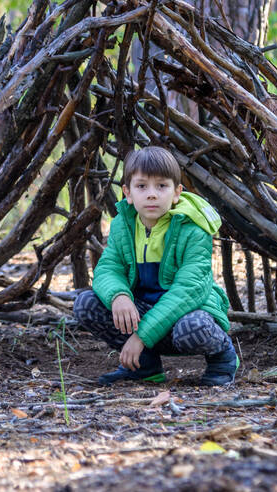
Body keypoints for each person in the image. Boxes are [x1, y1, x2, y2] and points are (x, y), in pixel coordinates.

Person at [74, 146, 237, 386]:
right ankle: (145, 367)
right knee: (86, 304)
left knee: (194, 327)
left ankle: (223, 359)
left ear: (176, 193)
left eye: (161, 186)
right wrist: (119, 296)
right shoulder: (124, 225)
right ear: (128, 193)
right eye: (142, 186)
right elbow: (108, 269)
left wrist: (140, 336)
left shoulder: (193, 229)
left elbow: (187, 292)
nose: (152, 194)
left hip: (183, 315)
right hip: (144, 312)